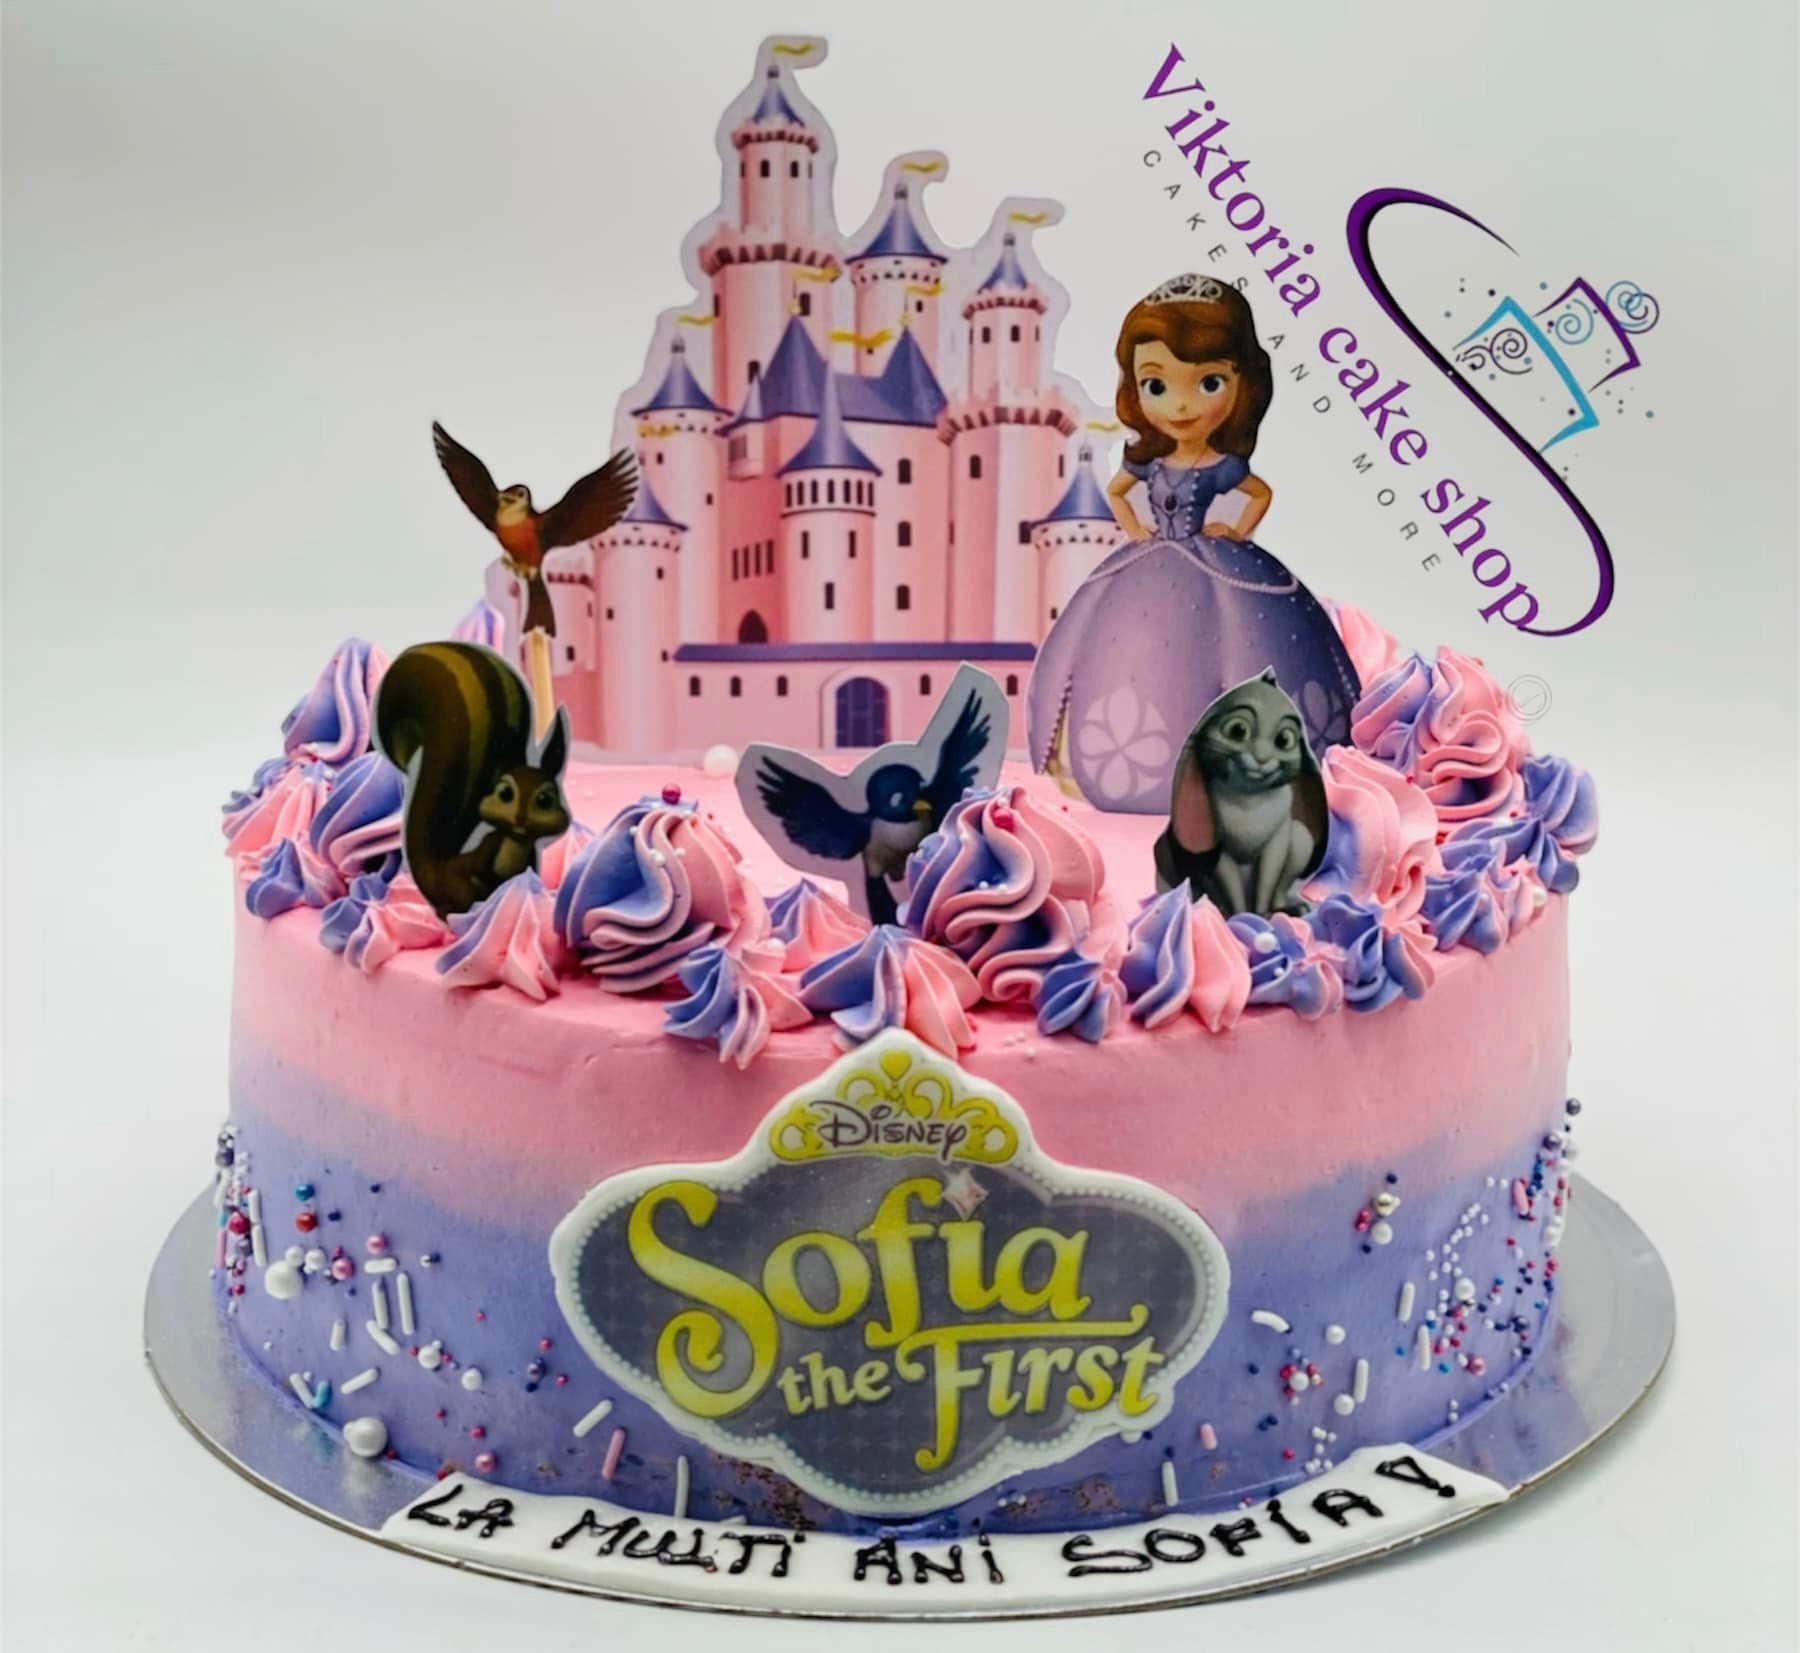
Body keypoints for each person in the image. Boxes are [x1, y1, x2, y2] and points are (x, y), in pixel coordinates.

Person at [1028, 274, 1360, 813]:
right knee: (1112, 644)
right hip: (1150, 559)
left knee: (1245, 641)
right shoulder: (1147, 461)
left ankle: (1257, 777)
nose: (1181, 404)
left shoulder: (1222, 465)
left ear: (1241, 385)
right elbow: (1118, 491)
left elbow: (1260, 493)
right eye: (1157, 386)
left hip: (1216, 558)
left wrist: (1236, 531)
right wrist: (1136, 531)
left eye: (1207, 383)